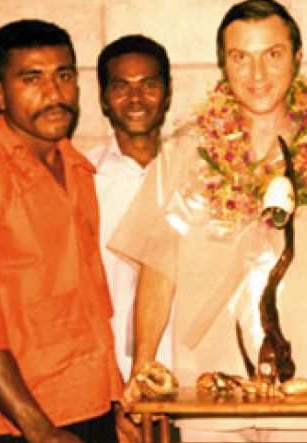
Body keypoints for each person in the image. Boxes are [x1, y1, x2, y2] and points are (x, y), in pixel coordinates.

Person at [111, 0, 307, 443]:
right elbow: (158, 267)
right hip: (208, 394)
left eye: (272, 55)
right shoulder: (186, 152)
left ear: (297, 58)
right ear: (222, 65)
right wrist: (144, 364)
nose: (257, 73)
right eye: (240, 58)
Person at [0, 20, 121, 443]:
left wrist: (114, 406)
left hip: (91, 408)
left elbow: (91, 308)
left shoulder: (77, 171)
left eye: (64, 74)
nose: (54, 92)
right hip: (19, 429)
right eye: (31, 79)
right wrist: (41, 433)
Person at [90, 34, 173, 381]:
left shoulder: (197, 174)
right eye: (121, 86)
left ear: (167, 94)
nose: (136, 98)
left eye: (148, 85)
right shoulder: (84, 177)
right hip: (110, 375)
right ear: (105, 99)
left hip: (187, 371)